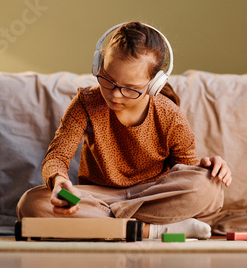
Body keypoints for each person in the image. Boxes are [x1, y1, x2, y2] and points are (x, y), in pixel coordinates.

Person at [16, 21, 232, 239]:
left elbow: (184, 174)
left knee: (209, 187)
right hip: (99, 198)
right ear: (98, 65)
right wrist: (58, 181)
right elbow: (57, 156)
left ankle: (101, 227)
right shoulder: (85, 103)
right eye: (107, 80)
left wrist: (204, 168)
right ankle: (153, 230)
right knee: (31, 203)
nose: (114, 94)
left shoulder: (170, 114)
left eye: (130, 88)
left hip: (151, 195)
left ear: (154, 83)